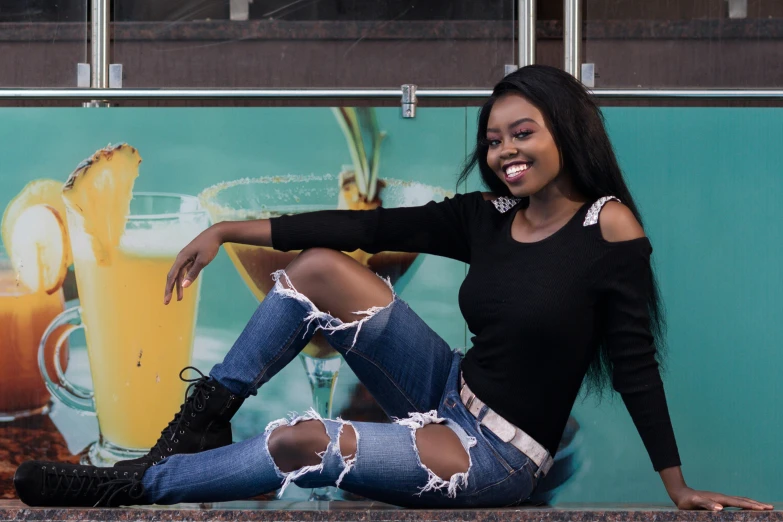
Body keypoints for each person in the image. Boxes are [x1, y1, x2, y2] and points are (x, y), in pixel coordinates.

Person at [13, 65, 774, 511]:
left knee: (300, 441)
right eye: (494, 137)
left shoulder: (608, 230)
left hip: (497, 458)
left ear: (566, 131)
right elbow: (358, 229)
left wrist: (676, 487)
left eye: (523, 132)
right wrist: (226, 229)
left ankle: (137, 484)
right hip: (447, 389)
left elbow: (635, 363)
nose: (504, 150)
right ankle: (201, 424)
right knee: (313, 267)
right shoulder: (488, 216)